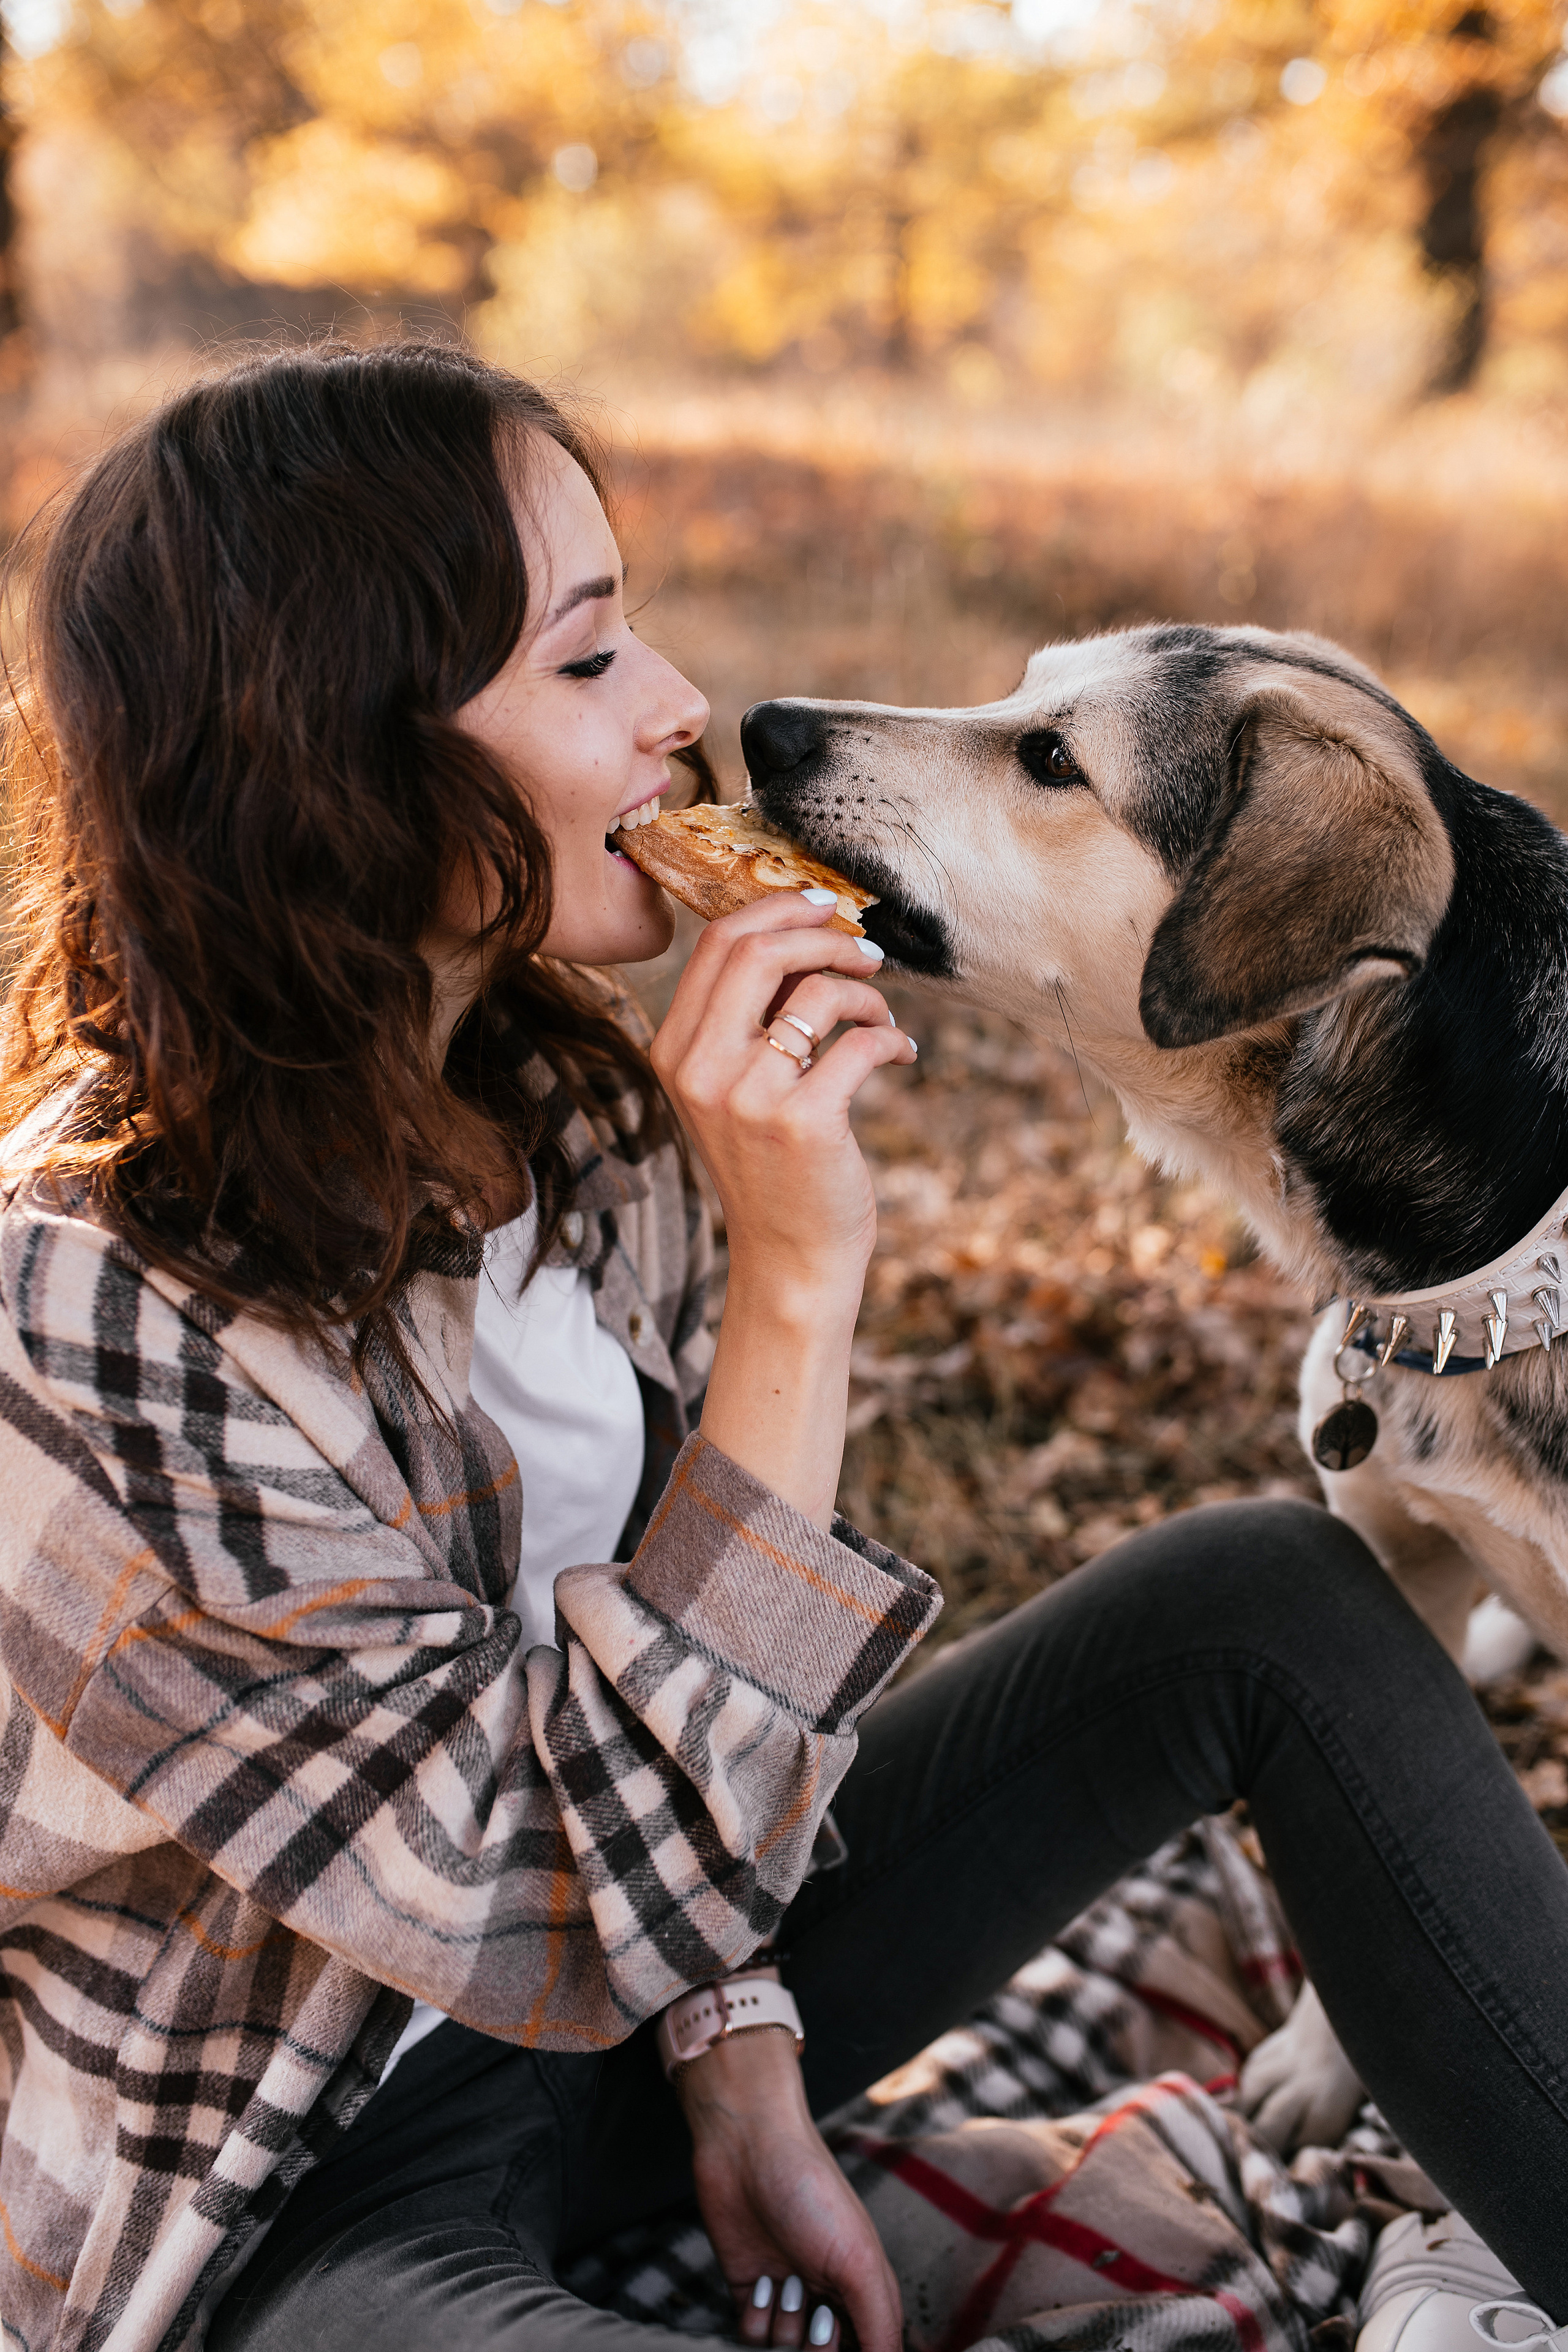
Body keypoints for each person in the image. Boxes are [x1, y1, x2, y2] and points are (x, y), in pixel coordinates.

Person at [0, 337, 1564, 2352]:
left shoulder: (574, 1121)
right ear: (334, 762)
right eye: (584, 665)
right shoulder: (79, 1327)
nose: (679, 712)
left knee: (1264, 1592)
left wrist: (744, 2064)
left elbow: (671, 1704)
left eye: (632, 627)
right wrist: (799, 1282)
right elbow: (526, 1919)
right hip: (303, 2196)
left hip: (649, 2018)